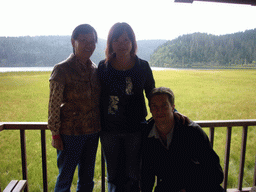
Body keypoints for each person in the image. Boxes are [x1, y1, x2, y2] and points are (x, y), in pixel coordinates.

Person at [97, 22, 155, 191]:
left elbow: (152, 94)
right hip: (109, 130)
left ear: (132, 43)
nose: (121, 44)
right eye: (116, 40)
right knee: (113, 175)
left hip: (135, 129)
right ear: (110, 44)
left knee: (133, 174)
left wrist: (172, 112)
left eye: (126, 40)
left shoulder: (142, 66)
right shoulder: (103, 67)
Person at [47, 24, 100, 192]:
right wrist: (55, 133)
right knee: (65, 179)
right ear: (73, 42)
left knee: (86, 179)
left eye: (92, 41)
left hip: (92, 132)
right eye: (83, 40)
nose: (88, 45)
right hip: (70, 134)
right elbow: (53, 105)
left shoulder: (94, 69)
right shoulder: (61, 69)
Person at [140, 87, 224, 192]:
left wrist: (189, 189)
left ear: (173, 108)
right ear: (150, 109)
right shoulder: (147, 135)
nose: (159, 110)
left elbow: (216, 174)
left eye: (164, 105)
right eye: (154, 106)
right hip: (170, 186)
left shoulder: (192, 131)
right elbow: (147, 173)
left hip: (199, 186)